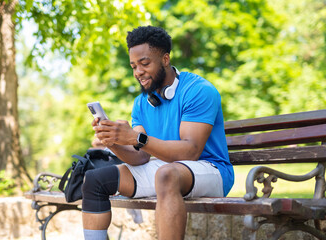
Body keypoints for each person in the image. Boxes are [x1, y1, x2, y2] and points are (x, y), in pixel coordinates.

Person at [82, 26, 234, 240]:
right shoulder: (141, 103)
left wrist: (136, 138)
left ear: (165, 59)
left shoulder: (199, 91)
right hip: (167, 168)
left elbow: (190, 151)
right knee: (95, 179)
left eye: (144, 64)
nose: (138, 72)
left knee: (165, 174)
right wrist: (114, 141)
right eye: (133, 66)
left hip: (211, 168)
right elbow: (140, 156)